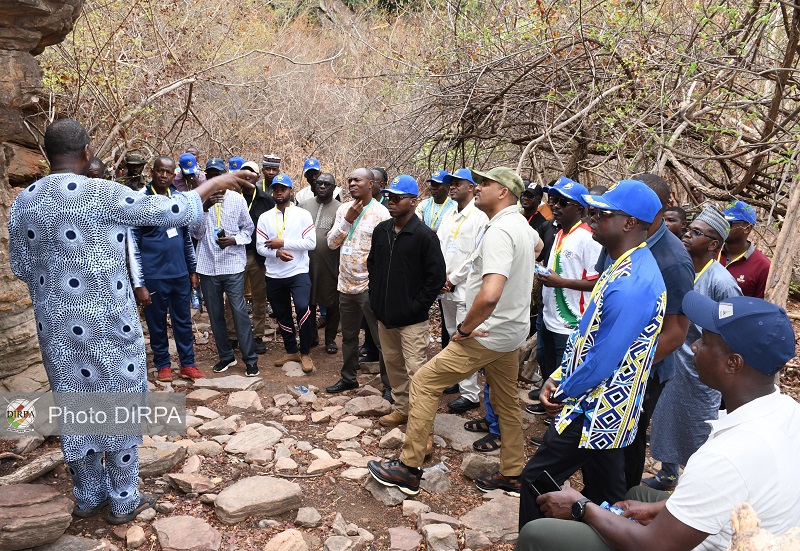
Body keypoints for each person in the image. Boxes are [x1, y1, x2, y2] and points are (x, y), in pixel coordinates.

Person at [8, 118, 247, 524]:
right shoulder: (103, 193)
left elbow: (22, 266)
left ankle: (87, 496)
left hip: (56, 328)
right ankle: (122, 501)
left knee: (74, 405)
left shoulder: (25, 200)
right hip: (109, 325)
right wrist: (216, 182)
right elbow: (173, 209)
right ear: (86, 152)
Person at [517, 293, 799, 551]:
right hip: (755, 532)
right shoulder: (787, 411)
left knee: (538, 534)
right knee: (636, 495)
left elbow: (652, 546)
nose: (696, 345)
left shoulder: (726, 457)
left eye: (706, 341)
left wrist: (581, 507)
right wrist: (664, 508)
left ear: (733, 363)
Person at [367, 167, 541, 496]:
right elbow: (538, 245)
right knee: (505, 402)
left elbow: (489, 294)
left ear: (503, 192)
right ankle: (514, 472)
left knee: (423, 381)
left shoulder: (501, 231)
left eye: (485, 184)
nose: (477, 188)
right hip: (511, 332)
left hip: (487, 334)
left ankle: (409, 467)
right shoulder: (520, 224)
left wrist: (465, 327)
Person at [518, 179, 667, 528]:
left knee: (535, 480)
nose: (592, 218)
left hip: (598, 411)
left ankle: (536, 541)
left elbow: (602, 360)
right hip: (601, 410)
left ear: (629, 223)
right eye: (591, 211)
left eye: (601, 213)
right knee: (606, 493)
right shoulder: (620, 264)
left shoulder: (634, 282)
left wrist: (562, 389)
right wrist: (556, 376)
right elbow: (586, 335)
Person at [647, 206, 741, 490]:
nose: (687, 235)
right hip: (672, 362)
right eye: (689, 230)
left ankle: (699, 486)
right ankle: (668, 473)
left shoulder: (722, 282)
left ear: (714, 245)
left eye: (697, 233)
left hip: (700, 372)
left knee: (698, 428)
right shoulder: (681, 268)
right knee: (666, 419)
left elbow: (730, 331)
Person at [617, 174, 694, 491]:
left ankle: (623, 500)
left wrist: (627, 364)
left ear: (662, 207)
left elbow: (676, 333)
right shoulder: (623, 238)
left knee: (629, 440)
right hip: (613, 358)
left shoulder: (673, 260)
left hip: (645, 370)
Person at [368, 175, 446, 427]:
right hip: (385, 317)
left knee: (417, 372)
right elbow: (373, 265)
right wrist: (376, 298)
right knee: (394, 367)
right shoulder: (382, 231)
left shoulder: (424, 236)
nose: (391, 202)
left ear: (413, 202)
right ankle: (402, 408)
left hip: (412, 320)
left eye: (398, 198)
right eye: (389, 197)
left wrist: (417, 305)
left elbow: (436, 278)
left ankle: (422, 423)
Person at [528, 177, 602, 422]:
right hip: (548, 316)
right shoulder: (560, 232)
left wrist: (562, 282)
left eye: (563, 202)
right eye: (554, 200)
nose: (555, 205)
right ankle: (548, 402)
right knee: (546, 362)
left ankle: (558, 418)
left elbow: (597, 282)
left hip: (571, 322)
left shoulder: (588, 238)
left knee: (565, 371)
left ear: (579, 208)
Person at [132, 156, 205, 382]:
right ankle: (163, 364)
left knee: (183, 320)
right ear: (152, 172)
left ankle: (188, 364)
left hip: (179, 273)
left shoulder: (180, 199)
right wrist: (139, 283)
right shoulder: (139, 201)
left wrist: (192, 270)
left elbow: (186, 239)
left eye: (168, 172)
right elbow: (133, 244)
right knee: (156, 322)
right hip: (153, 275)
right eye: (159, 171)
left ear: (174, 174)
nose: (163, 175)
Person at [325, 168, 392, 398]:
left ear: (371, 184)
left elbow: (386, 252)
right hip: (345, 284)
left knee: (380, 339)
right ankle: (348, 378)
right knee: (349, 337)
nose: (352, 184)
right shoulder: (343, 209)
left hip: (369, 286)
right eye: (350, 180)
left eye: (357, 180)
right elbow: (332, 243)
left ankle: (389, 386)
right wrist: (347, 220)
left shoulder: (382, 213)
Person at [192, 171, 260, 377]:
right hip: (207, 265)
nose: (215, 180)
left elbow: (249, 229)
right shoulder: (200, 199)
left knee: (239, 312)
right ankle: (226, 356)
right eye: (210, 175)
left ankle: (250, 359)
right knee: (214, 314)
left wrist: (234, 239)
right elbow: (194, 233)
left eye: (218, 175)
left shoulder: (238, 199)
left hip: (232, 265)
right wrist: (204, 209)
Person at [438, 168, 489, 414]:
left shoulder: (480, 217)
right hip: (446, 287)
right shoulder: (449, 213)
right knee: (450, 335)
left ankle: (470, 394)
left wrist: (454, 278)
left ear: (471, 187)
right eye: (451, 183)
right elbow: (440, 247)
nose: (452, 186)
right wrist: (440, 278)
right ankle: (457, 380)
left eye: (457, 183)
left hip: (467, 288)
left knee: (464, 338)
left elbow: (476, 256)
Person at [256, 174, 317, 373]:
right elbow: (260, 248)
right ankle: (291, 351)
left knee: (302, 308)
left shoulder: (302, 215)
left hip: (298, 271)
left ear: (291, 191)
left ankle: (305, 352)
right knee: (282, 314)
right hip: (274, 274)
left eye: (283, 189)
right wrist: (276, 253)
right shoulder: (265, 217)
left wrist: (283, 243)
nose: (279, 192)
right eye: (275, 189)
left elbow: (310, 243)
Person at [224, 160, 275, 355]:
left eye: (252, 173)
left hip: (258, 256)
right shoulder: (231, 197)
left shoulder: (265, 199)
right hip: (234, 254)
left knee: (259, 297)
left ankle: (258, 335)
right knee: (231, 298)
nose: (247, 176)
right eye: (243, 173)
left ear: (257, 177)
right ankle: (232, 336)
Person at [299, 172, 342, 355]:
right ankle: (311, 336)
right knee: (308, 302)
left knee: (332, 302)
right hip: (305, 263)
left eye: (327, 184)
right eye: (319, 183)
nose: (322, 186)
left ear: (334, 188)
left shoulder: (341, 209)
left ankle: (330, 338)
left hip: (330, 263)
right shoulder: (303, 206)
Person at [721, 200, 770, 298]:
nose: (723, 227)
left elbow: (760, 307)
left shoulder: (762, 266)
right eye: (722, 221)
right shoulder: (711, 252)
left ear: (747, 228)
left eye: (729, 224)